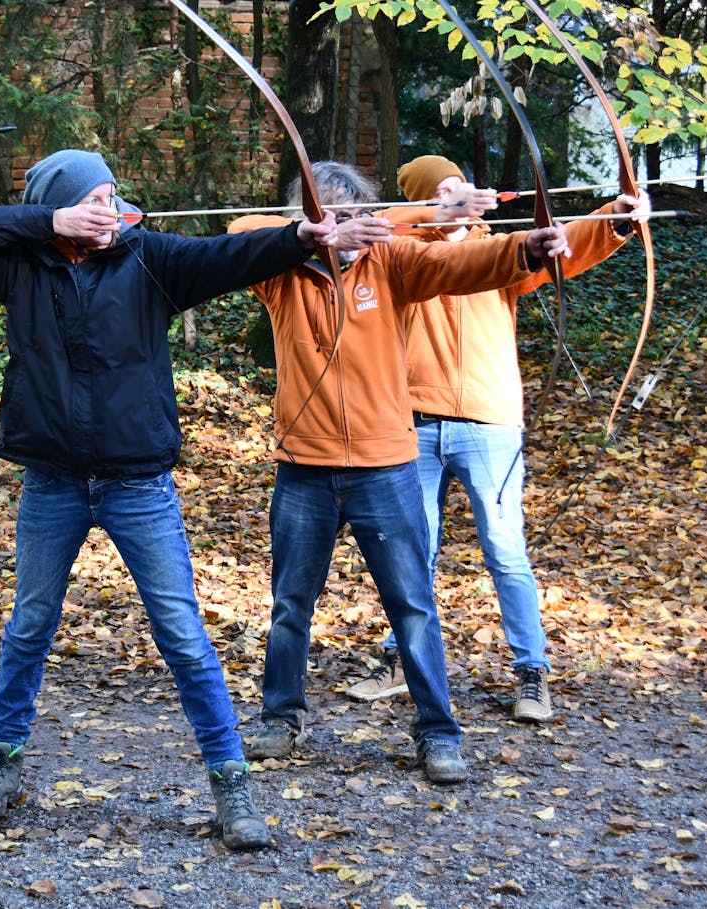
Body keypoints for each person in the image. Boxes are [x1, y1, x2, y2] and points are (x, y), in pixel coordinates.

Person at [0, 148, 337, 851]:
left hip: (138, 484)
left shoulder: (149, 258)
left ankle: (231, 784)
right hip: (53, 482)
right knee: (30, 625)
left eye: (113, 196)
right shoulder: (22, 266)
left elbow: (229, 257)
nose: (110, 208)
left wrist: (299, 237)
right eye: (93, 198)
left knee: (183, 633)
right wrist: (49, 220)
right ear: (62, 206)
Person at [229, 162, 571, 781]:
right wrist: (314, 236)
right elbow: (239, 227)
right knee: (289, 604)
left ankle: (438, 730)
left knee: (412, 605)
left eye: (354, 212)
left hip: (385, 466)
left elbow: (463, 265)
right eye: (326, 212)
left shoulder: (394, 263)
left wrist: (526, 246)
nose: (345, 223)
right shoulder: (276, 273)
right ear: (302, 220)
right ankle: (280, 716)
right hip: (304, 467)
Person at [343, 154, 649, 723]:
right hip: (412, 421)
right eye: (442, 190)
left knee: (506, 552)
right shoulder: (397, 254)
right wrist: (437, 211)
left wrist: (616, 219)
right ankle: (400, 663)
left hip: (489, 423)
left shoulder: (501, 250)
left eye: (462, 186)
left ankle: (532, 673)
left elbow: (563, 244)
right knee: (414, 554)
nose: (458, 195)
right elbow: (387, 225)